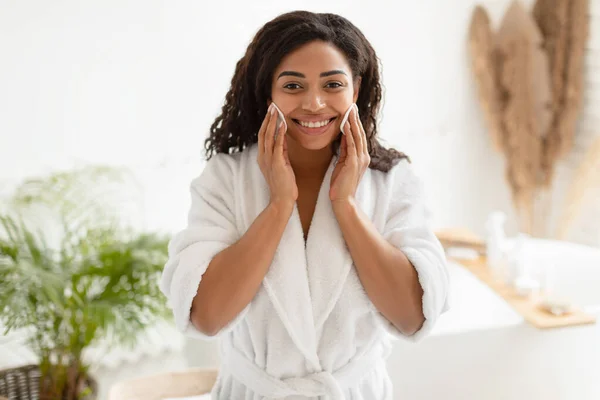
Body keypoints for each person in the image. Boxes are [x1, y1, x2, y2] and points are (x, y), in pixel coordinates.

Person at [160, 10, 450, 400]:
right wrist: (280, 204)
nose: (314, 104)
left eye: (332, 84)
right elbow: (208, 316)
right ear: (269, 92)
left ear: (357, 88)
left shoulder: (391, 181)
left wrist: (345, 204)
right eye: (293, 85)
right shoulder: (227, 178)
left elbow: (413, 316)